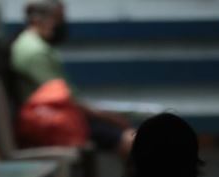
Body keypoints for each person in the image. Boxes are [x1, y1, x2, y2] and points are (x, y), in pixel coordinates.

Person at [11, 0, 134, 158]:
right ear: (36, 20)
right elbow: (63, 98)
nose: (61, 25)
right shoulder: (34, 51)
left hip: (63, 116)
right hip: (53, 122)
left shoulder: (35, 46)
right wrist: (105, 116)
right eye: (57, 19)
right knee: (130, 139)